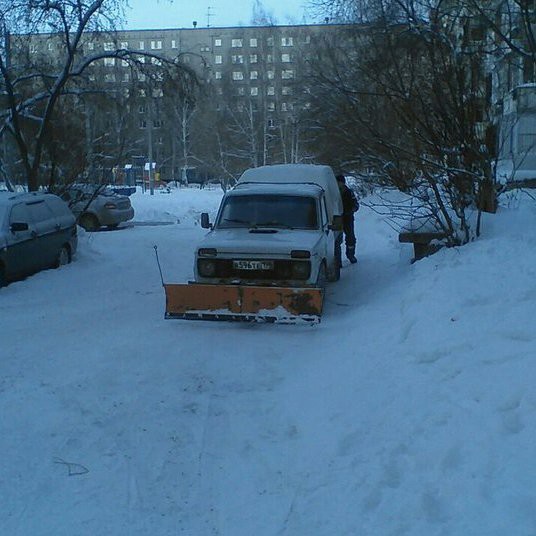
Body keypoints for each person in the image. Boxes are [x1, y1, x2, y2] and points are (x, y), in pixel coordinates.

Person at [336, 174, 359, 264]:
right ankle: (337, 260)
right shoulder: (332, 192)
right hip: (336, 218)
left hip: (347, 218)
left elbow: (356, 204)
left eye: (340, 182)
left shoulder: (349, 192)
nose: (338, 184)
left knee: (350, 238)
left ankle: (350, 255)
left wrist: (351, 210)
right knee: (336, 240)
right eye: (337, 182)